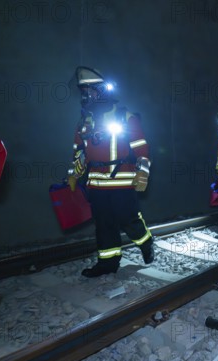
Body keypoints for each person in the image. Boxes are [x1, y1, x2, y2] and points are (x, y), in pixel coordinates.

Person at [67, 66, 154, 277]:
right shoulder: (83, 124)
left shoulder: (126, 117)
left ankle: (145, 241)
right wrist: (73, 174)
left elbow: (142, 148)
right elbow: (79, 153)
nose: (85, 96)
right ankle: (107, 264)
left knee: (128, 219)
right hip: (96, 185)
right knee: (104, 225)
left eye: (89, 91)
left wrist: (143, 173)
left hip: (123, 182)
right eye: (83, 91)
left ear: (102, 91)